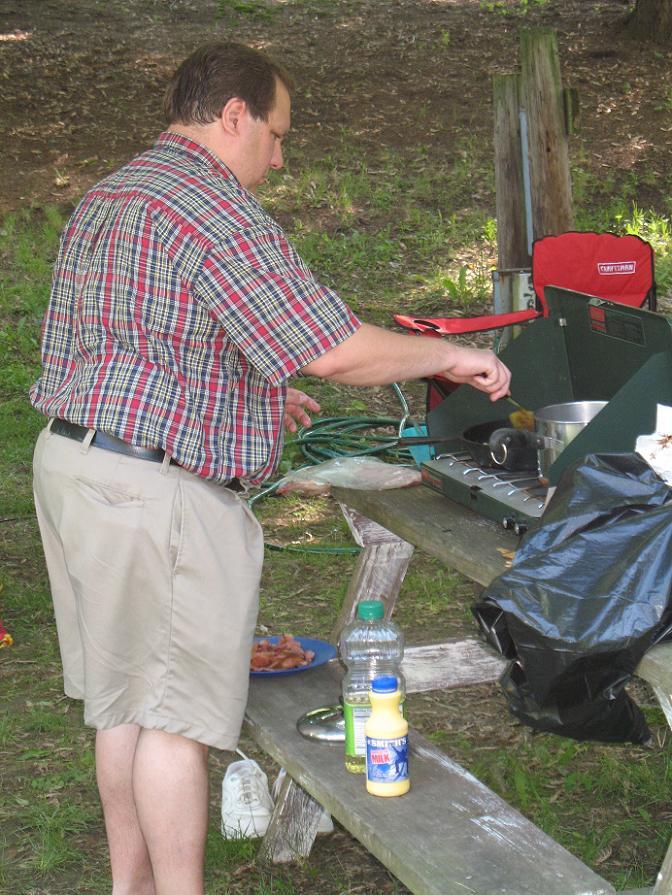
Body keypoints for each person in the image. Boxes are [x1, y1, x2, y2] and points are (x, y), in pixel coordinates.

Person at [30, 41, 511, 895]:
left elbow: (121, 348)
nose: (281, 156)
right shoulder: (213, 209)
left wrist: (248, 398)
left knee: (120, 705)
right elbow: (330, 350)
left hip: (74, 465)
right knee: (174, 722)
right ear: (234, 116)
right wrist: (447, 359)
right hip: (155, 494)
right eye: (278, 134)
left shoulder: (114, 194)